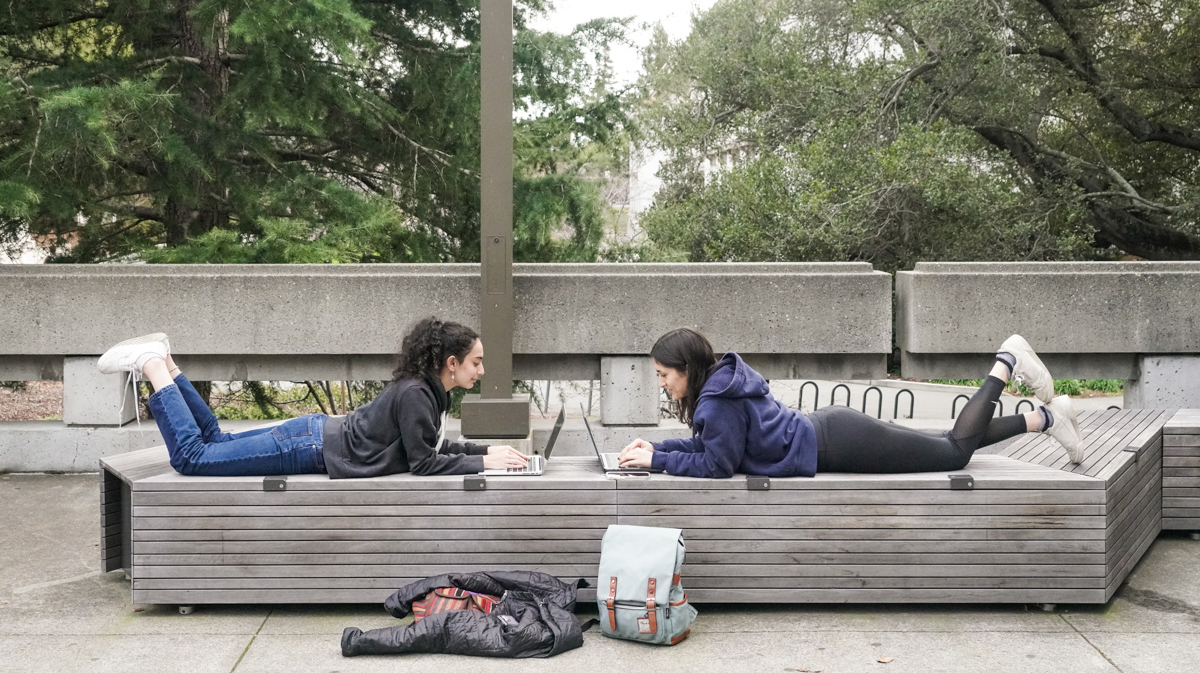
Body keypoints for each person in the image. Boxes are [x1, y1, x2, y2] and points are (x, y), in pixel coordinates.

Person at [617, 328, 1084, 478]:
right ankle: (1044, 417)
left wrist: (658, 460)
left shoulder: (717, 400)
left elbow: (718, 466)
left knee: (952, 454)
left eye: (663, 375)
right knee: (944, 443)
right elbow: (715, 449)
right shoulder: (720, 386)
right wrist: (657, 453)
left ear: (686, 369)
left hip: (836, 442)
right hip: (832, 431)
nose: (661, 384)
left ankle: (1006, 360)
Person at [96, 318, 530, 477]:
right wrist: (483, 462)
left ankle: (168, 363)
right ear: (451, 363)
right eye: (476, 362)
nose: (482, 370)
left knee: (217, 441)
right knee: (193, 458)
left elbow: (431, 447)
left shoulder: (427, 391)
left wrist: (488, 450)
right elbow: (424, 464)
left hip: (312, 435)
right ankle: (154, 366)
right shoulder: (419, 394)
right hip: (307, 447)